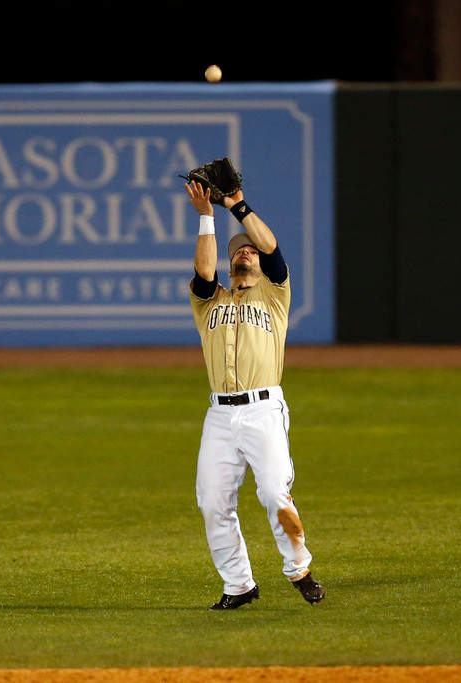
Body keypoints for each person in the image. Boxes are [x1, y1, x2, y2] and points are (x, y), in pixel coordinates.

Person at [184, 174, 326, 610]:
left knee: (272, 493)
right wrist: (208, 217)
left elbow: (272, 246)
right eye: (237, 250)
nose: (245, 251)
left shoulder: (275, 295)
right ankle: (239, 585)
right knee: (212, 501)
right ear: (230, 265)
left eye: (250, 249)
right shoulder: (210, 299)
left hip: (263, 409)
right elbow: (204, 270)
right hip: (220, 417)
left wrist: (237, 206)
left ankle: (298, 567)